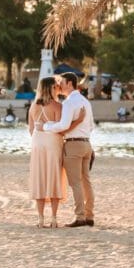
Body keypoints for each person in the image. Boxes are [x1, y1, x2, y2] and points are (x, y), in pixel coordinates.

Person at [27, 77, 83, 229]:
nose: (58, 89)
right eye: (56, 87)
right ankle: (53, 218)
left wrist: (40, 135)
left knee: (40, 178)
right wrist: (77, 122)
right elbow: (61, 129)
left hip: (38, 143)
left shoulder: (33, 107)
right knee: (54, 177)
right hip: (53, 142)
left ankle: (40, 219)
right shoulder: (57, 106)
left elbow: (31, 129)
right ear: (51, 88)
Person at [43, 72, 96, 228]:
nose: (59, 85)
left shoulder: (69, 102)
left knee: (76, 183)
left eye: (62, 82)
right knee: (86, 181)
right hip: (87, 144)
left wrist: (47, 126)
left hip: (73, 145)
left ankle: (80, 217)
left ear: (70, 84)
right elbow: (91, 126)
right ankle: (89, 215)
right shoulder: (85, 101)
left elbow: (64, 125)